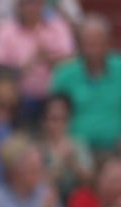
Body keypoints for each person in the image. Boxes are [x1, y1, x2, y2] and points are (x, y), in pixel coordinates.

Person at [0, 0, 73, 114]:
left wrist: (47, 58)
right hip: (18, 95)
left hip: (54, 93)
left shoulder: (58, 26)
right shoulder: (4, 29)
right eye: (26, 3)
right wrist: (28, 64)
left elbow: (71, 62)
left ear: (43, 5)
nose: (31, 8)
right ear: (18, 5)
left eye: (35, 3)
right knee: (3, 88)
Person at [50, 16, 121, 153]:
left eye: (97, 42)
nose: (92, 49)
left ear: (107, 43)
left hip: (116, 147)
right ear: (79, 45)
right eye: (87, 43)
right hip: (75, 149)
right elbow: (53, 114)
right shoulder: (65, 75)